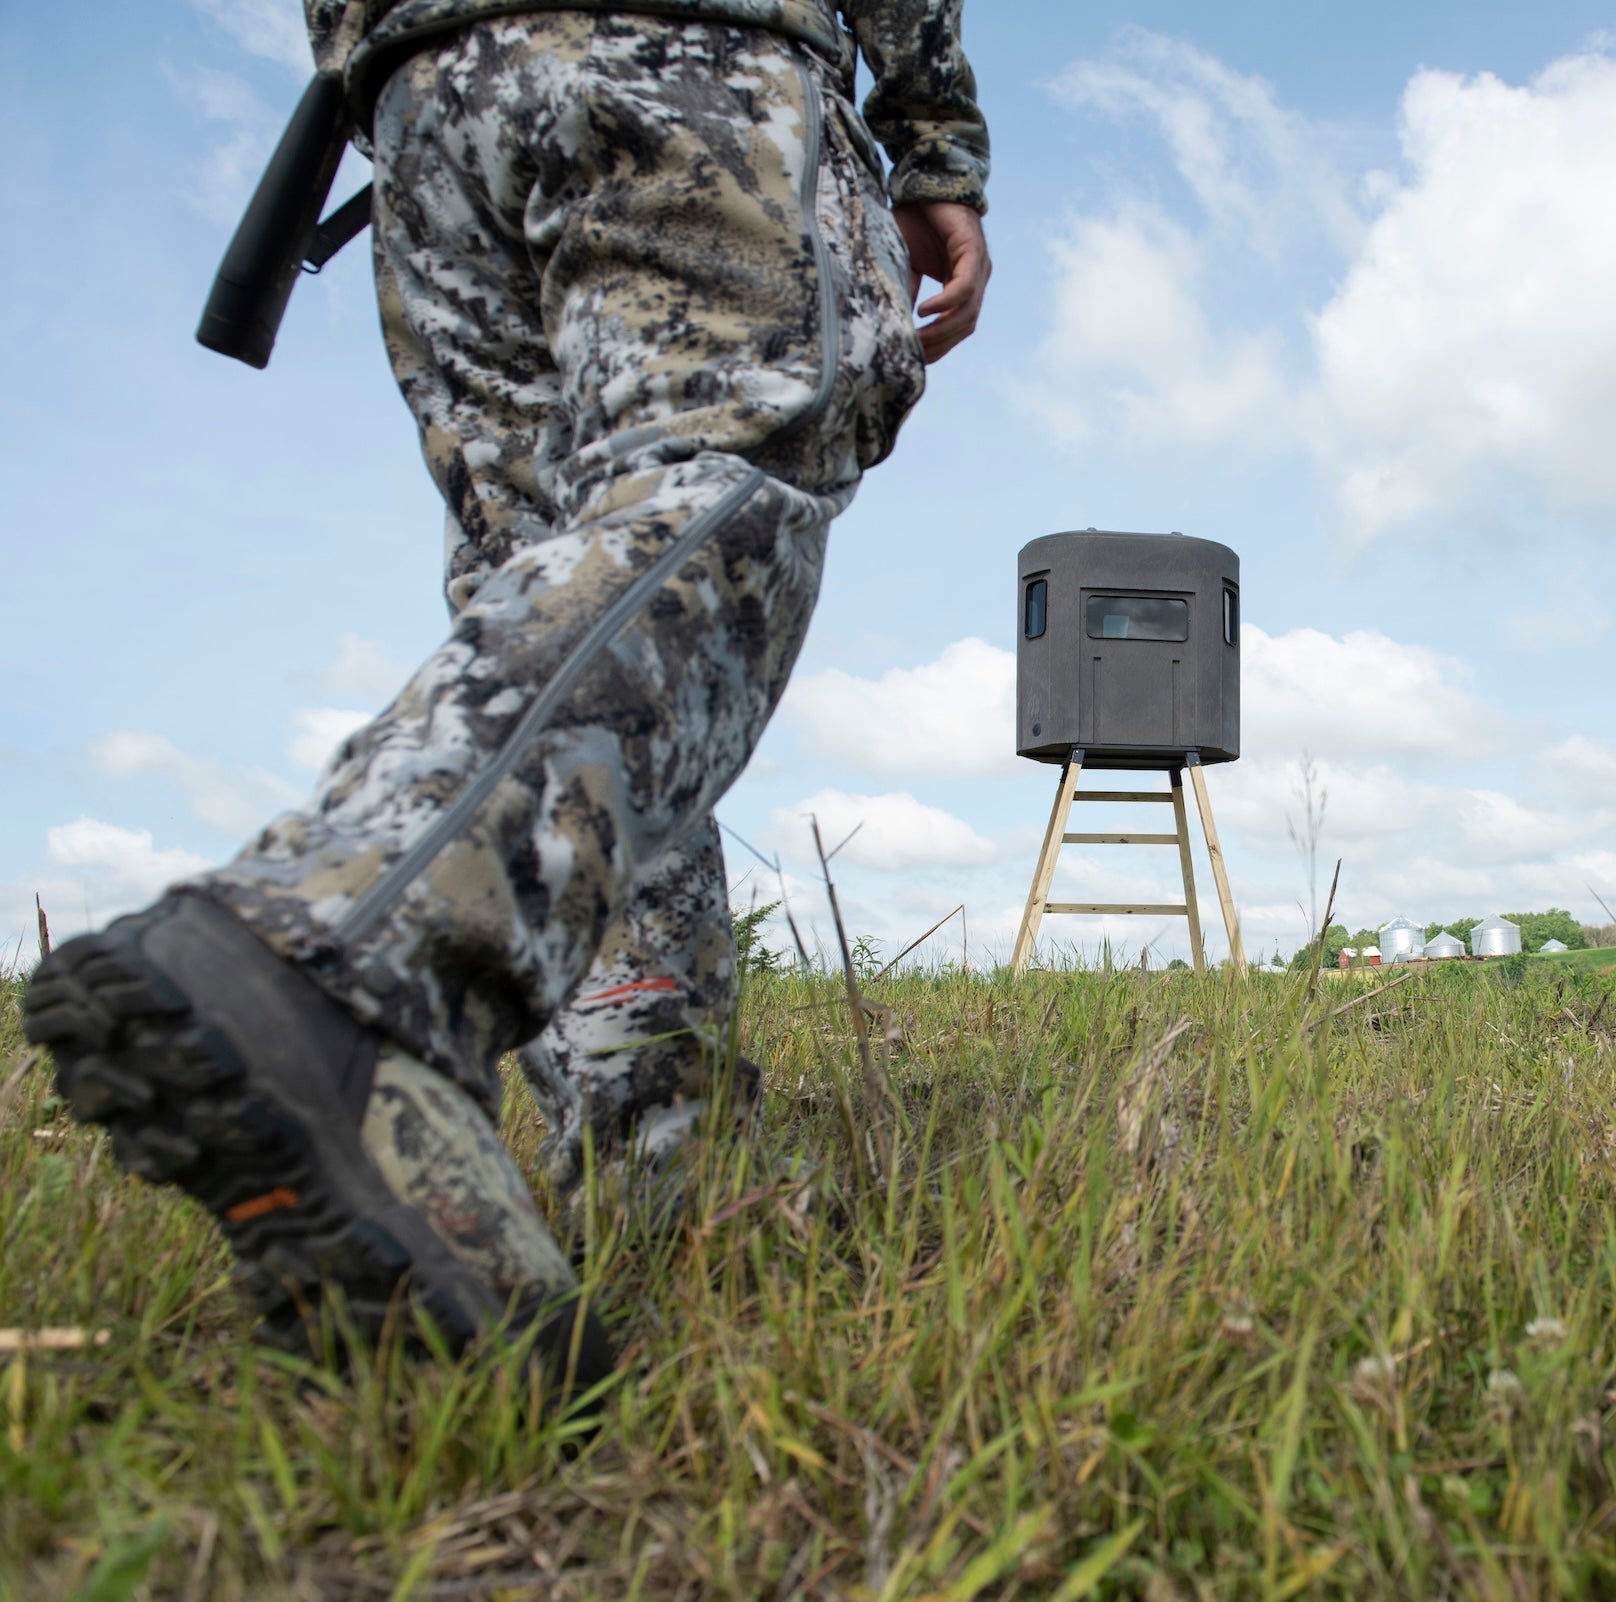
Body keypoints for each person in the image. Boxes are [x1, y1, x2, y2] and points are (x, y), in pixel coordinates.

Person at [25, 0, 990, 1384]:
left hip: (427, 103)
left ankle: (634, 1182)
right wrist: (936, 146)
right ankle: (360, 958)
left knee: (564, 588)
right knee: (725, 484)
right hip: (684, 47)